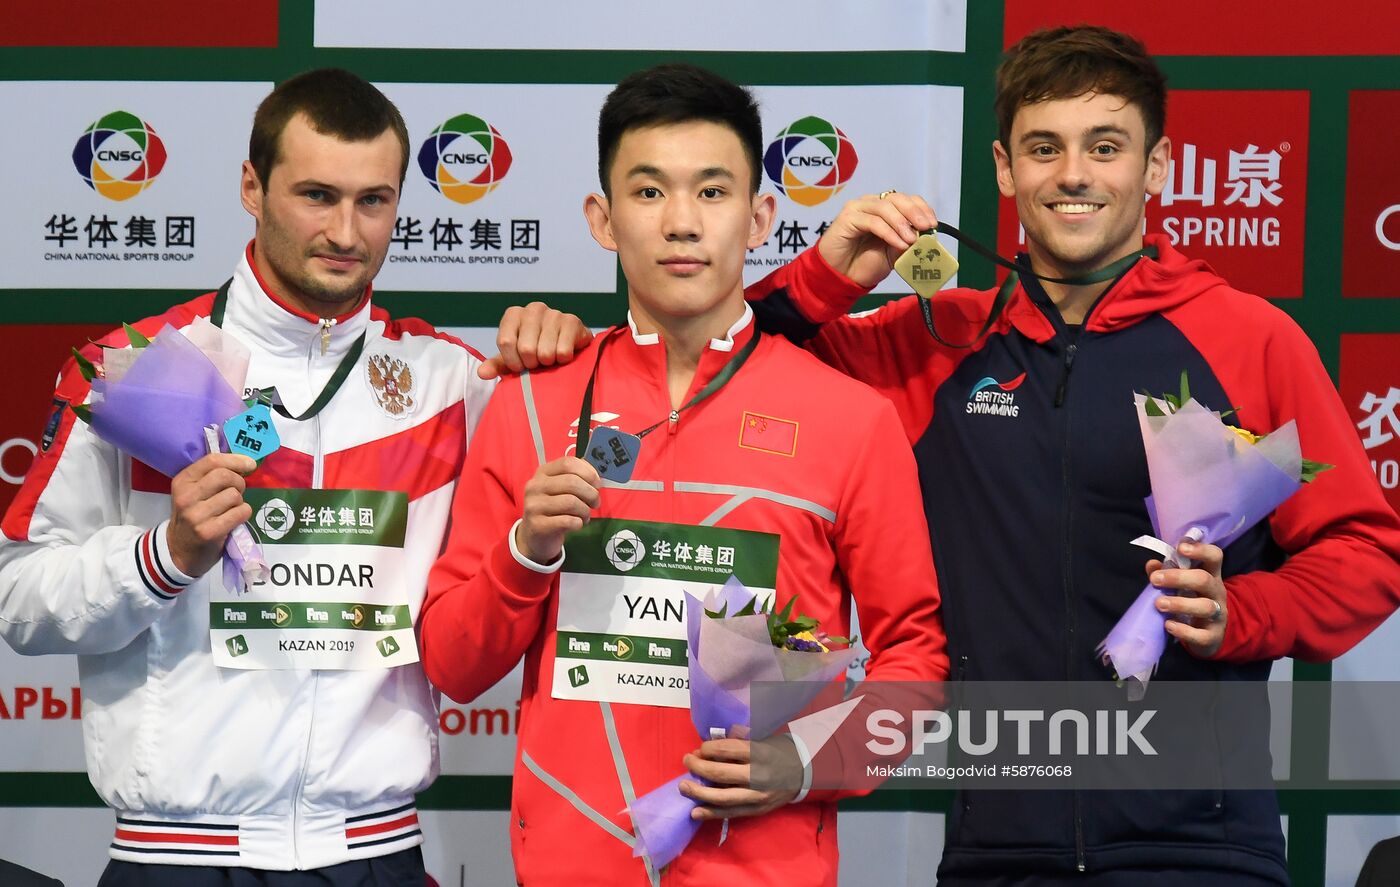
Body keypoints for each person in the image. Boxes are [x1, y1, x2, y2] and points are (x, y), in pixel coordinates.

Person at [737, 24, 1400, 886]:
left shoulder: (1250, 338)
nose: (1074, 174)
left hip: (1205, 850)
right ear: (1006, 169)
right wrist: (825, 280)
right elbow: (726, 366)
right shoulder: (936, 339)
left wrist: (1244, 612)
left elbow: (1366, 554)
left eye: (1106, 146)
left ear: (1156, 167)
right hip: (998, 848)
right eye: (1043, 148)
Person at [0, 68, 590, 885]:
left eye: (374, 201)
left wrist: (559, 351)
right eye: (317, 195)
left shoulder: (452, 382)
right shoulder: (130, 369)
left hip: (375, 855)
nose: (347, 232)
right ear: (252, 185)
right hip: (177, 857)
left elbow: (686, 360)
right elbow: (19, 601)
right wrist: (160, 555)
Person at [418, 63, 948, 886]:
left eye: (711, 192)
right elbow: (453, 666)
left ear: (759, 215)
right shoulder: (529, 404)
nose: (681, 223)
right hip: (571, 864)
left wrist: (803, 760)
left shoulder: (852, 417)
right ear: (602, 219)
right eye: (648, 191)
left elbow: (913, 661)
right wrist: (527, 549)